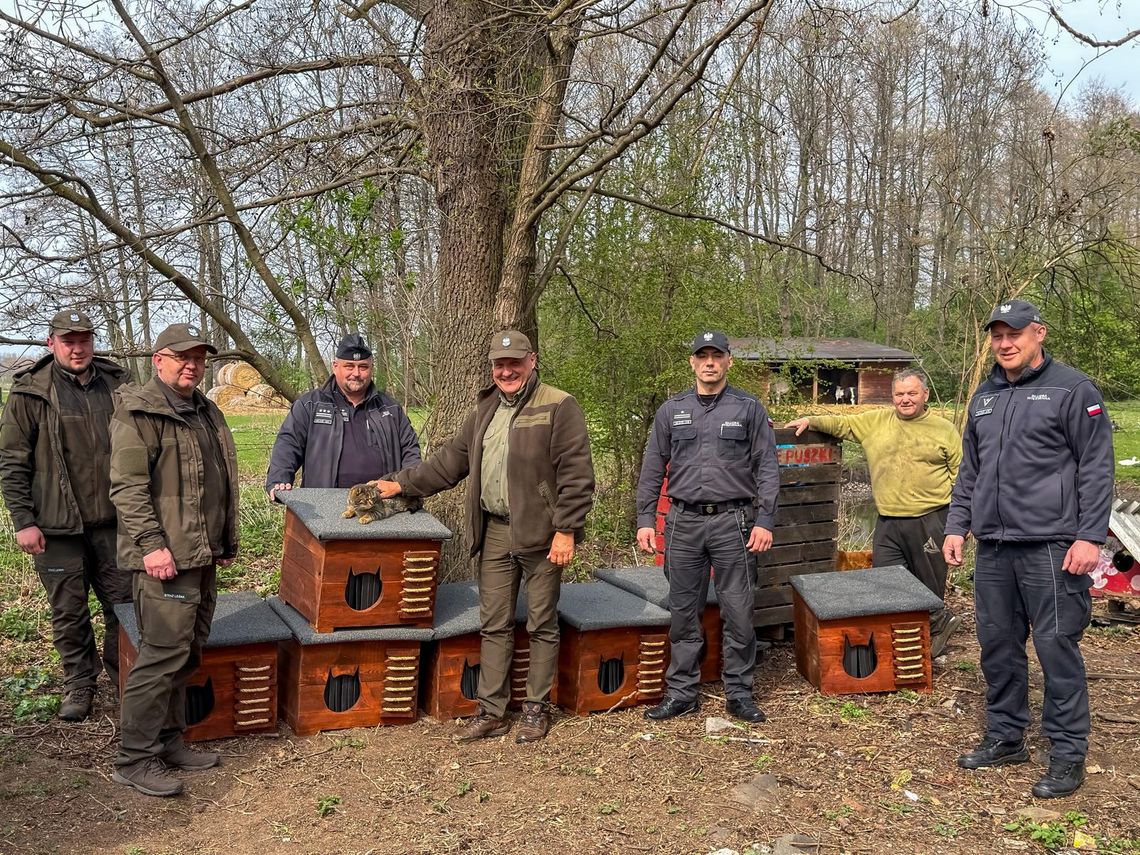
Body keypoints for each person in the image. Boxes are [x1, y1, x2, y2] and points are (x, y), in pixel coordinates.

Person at [374, 330, 594, 744]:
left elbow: (577, 475)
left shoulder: (558, 405)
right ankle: (492, 711)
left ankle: (535, 709)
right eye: (499, 364)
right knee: (494, 624)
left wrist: (566, 530)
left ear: (532, 361)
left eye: (515, 363)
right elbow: (449, 462)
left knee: (542, 623)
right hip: (494, 530)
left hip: (543, 535)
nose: (507, 371)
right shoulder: (486, 407)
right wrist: (401, 483)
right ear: (492, 367)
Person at [943, 299, 1113, 799]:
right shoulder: (985, 396)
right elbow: (971, 470)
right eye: (997, 336)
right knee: (997, 645)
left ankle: (1067, 752)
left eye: (1014, 334)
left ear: (1039, 333)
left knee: (1056, 648)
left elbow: (1096, 467)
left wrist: (1090, 536)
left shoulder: (1072, 390)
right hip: (994, 547)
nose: (1005, 343)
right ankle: (1005, 736)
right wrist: (957, 526)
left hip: (1052, 547)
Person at [109, 323, 240, 797]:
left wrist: (224, 540)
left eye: (199, 358)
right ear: (158, 360)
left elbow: (218, 479)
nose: (193, 365)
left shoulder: (205, 409)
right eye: (183, 356)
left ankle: (167, 741)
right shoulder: (138, 412)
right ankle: (134, 758)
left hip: (200, 553)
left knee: (188, 650)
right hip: (166, 557)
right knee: (161, 655)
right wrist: (151, 545)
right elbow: (128, 488)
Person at [635, 331, 779, 723]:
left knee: (739, 610)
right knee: (683, 611)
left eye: (717, 355)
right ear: (693, 363)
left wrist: (765, 520)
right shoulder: (672, 410)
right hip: (682, 523)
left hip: (734, 522)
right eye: (703, 356)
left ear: (729, 360)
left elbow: (767, 467)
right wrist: (646, 519)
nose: (710, 362)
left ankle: (739, 693)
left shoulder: (748, 408)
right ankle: (682, 692)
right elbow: (653, 466)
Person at [0, 309, 131, 721]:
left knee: (124, 605)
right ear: (51, 343)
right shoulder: (30, 392)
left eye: (84, 340)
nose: (78, 348)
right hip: (56, 527)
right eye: (68, 341)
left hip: (114, 523)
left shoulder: (118, 384)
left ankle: (125, 678)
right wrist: (24, 521)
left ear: (93, 341)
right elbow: (12, 462)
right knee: (69, 612)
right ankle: (79, 683)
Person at [786, 369, 963, 657]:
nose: (905, 399)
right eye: (899, 394)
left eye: (912, 393)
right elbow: (841, 423)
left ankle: (936, 627)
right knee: (886, 581)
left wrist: (960, 522)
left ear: (925, 394)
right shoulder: (875, 422)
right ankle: (900, 637)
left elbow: (962, 478)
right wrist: (811, 420)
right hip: (888, 521)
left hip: (931, 517)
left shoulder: (944, 429)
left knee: (928, 584)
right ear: (892, 396)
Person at [266, 333, 421, 500]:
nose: (356, 373)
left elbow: (410, 450)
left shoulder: (390, 408)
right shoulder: (310, 405)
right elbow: (288, 443)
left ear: (371, 368)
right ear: (335, 366)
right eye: (349, 366)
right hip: (323, 503)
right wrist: (279, 479)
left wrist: (405, 486)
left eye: (363, 367)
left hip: (381, 503)